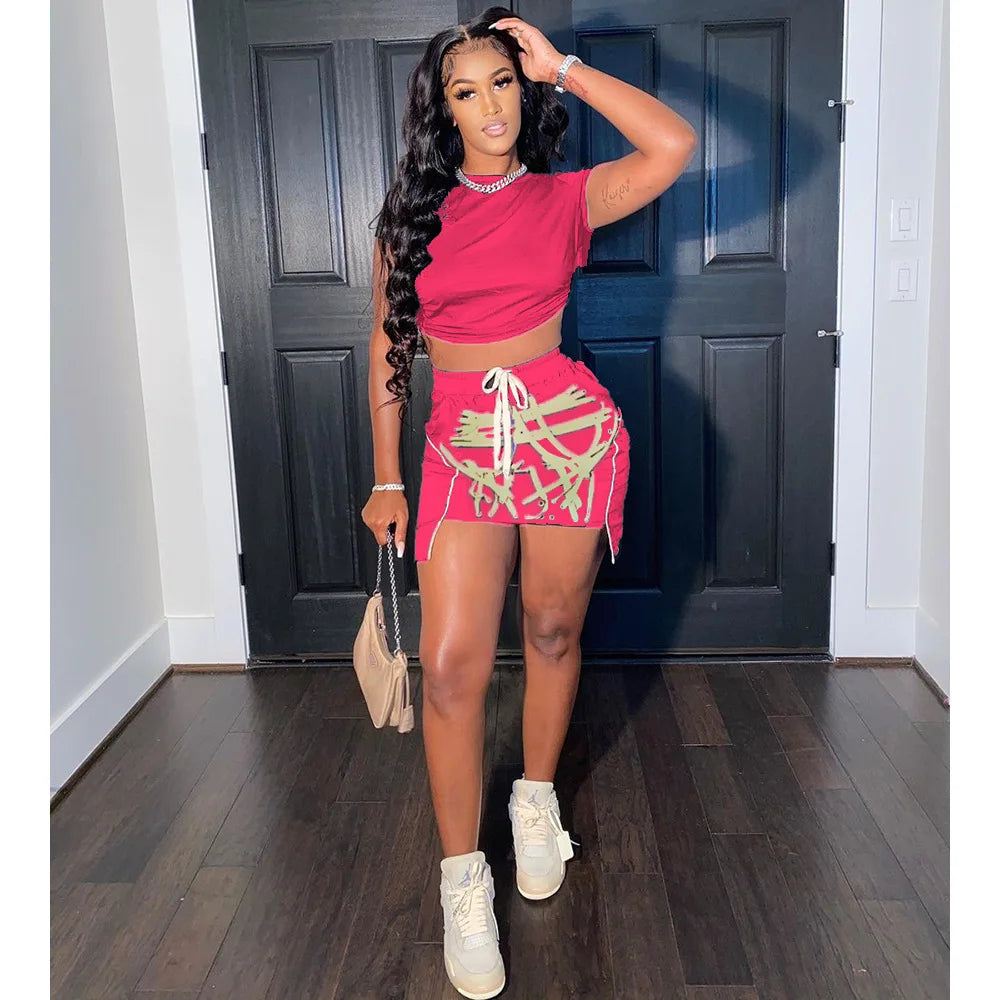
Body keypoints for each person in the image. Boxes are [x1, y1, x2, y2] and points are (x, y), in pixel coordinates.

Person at [363, 7, 696, 997]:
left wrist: (564, 69)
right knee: (450, 667)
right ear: (444, 111)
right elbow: (388, 349)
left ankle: (537, 799)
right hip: (461, 450)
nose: (490, 106)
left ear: (522, 89)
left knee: (552, 630)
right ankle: (462, 880)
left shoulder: (564, 199)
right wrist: (386, 475)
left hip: (566, 438)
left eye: (502, 82)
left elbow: (672, 145)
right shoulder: (409, 222)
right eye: (466, 92)